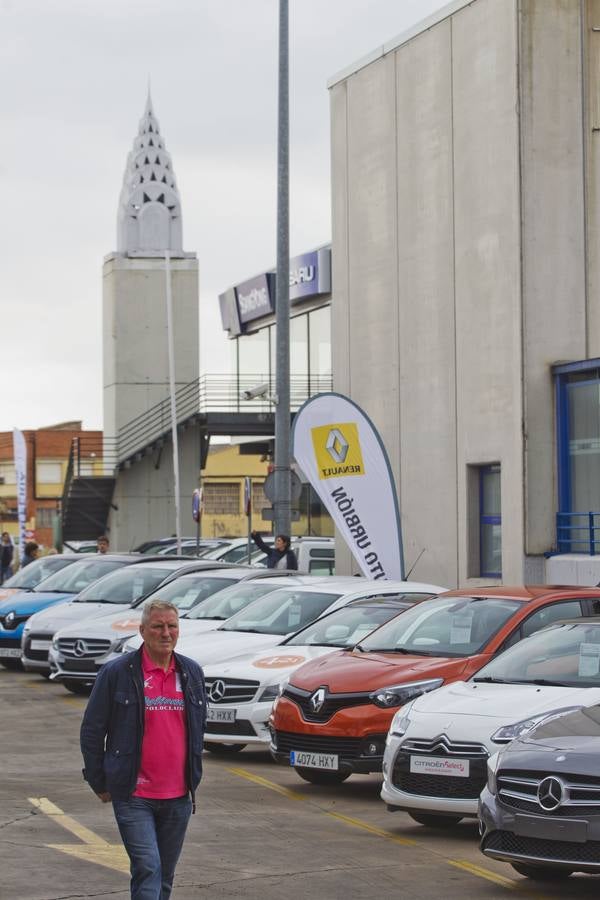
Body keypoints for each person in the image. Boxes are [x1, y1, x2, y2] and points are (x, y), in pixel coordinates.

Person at [80, 599, 207, 899]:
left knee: (164, 875)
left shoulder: (191, 673)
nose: (166, 633)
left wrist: (193, 777)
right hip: (133, 794)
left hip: (178, 797)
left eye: (172, 626)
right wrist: (98, 780)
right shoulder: (117, 673)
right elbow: (92, 730)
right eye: (158, 626)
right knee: (148, 868)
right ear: (142, 631)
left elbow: (199, 727)